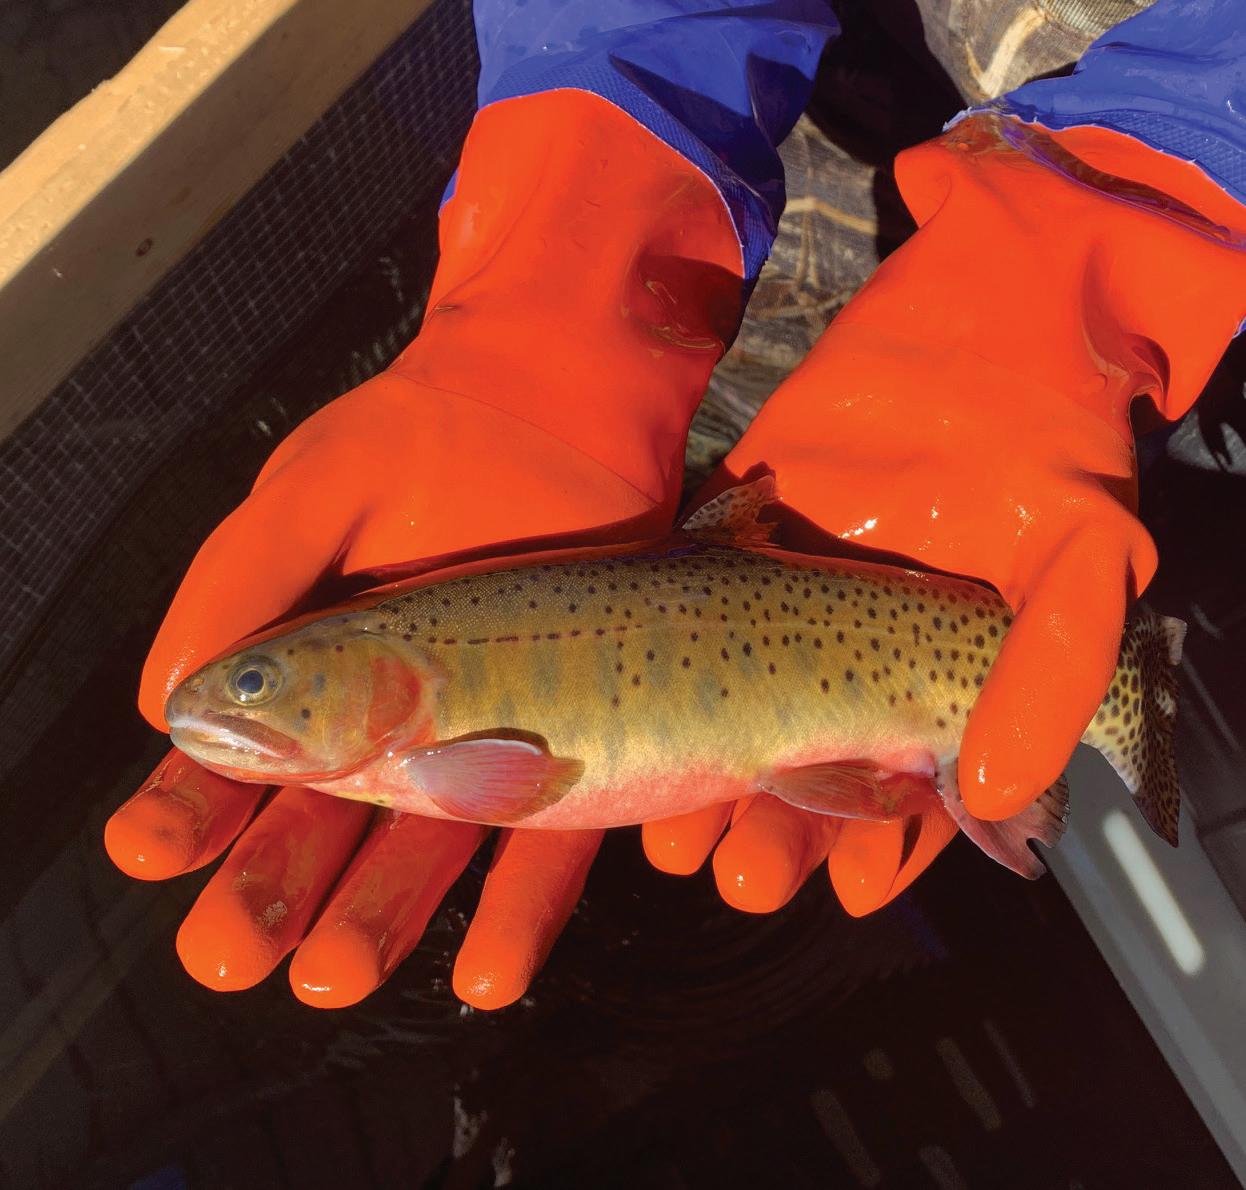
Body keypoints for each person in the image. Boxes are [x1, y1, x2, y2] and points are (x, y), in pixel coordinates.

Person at [104, 0, 1246, 1009]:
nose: (233, 700)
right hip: (802, 269)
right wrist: (582, 210)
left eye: (255, 683)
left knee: (1091, 516)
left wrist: (1147, 200)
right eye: (256, 683)